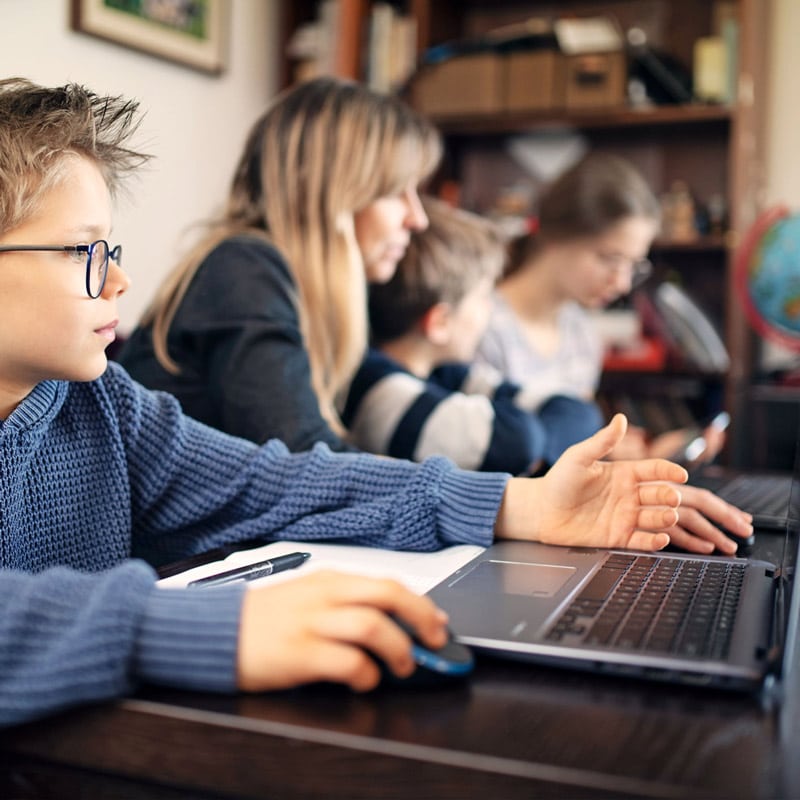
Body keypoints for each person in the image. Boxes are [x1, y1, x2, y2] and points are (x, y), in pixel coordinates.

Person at [0, 77, 691, 728]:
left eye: (109, 247)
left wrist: (520, 503)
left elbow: (272, 481)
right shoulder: (243, 274)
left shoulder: (100, 405)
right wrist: (220, 627)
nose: (119, 278)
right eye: (82, 250)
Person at [119, 76, 442, 453]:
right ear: (327, 192)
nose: (418, 219)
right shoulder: (244, 270)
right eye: (393, 191)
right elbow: (303, 461)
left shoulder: (296, 293)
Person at [476, 153, 726, 464]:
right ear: (555, 237)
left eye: (633, 266)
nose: (622, 284)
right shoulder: (479, 327)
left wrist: (636, 457)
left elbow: (569, 455)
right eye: (610, 259)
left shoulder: (580, 333)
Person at [342, 196, 604, 475]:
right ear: (440, 322)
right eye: (482, 298)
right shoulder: (377, 390)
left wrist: (535, 453)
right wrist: (537, 452)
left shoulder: (448, 374)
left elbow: (579, 413)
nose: (490, 310)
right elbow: (517, 441)